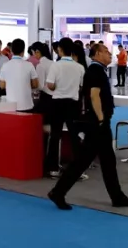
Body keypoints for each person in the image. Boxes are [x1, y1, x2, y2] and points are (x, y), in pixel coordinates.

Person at [48, 42, 128, 210]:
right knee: (87, 161)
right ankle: (58, 192)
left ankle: (116, 196)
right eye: (105, 51)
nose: (109, 54)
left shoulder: (97, 71)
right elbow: (94, 96)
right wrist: (101, 119)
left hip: (97, 122)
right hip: (97, 124)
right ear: (96, 54)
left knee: (102, 160)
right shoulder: (95, 71)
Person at [45, 37, 84, 177]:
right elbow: (81, 86)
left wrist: (57, 87)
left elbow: (50, 85)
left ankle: (53, 168)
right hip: (73, 104)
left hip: (57, 103)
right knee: (74, 136)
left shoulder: (55, 66)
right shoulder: (79, 67)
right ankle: (78, 170)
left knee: (55, 135)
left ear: (60, 50)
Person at [0, 39, 38, 112]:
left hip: (11, 105)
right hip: (27, 105)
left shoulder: (5, 65)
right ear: (23, 51)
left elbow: (2, 85)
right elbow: (35, 84)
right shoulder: (29, 65)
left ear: (11, 50)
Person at [32, 42, 54, 114]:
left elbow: (40, 86)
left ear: (37, 51)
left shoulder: (40, 65)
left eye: (33, 53)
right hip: (55, 96)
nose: (33, 55)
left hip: (46, 96)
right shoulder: (53, 63)